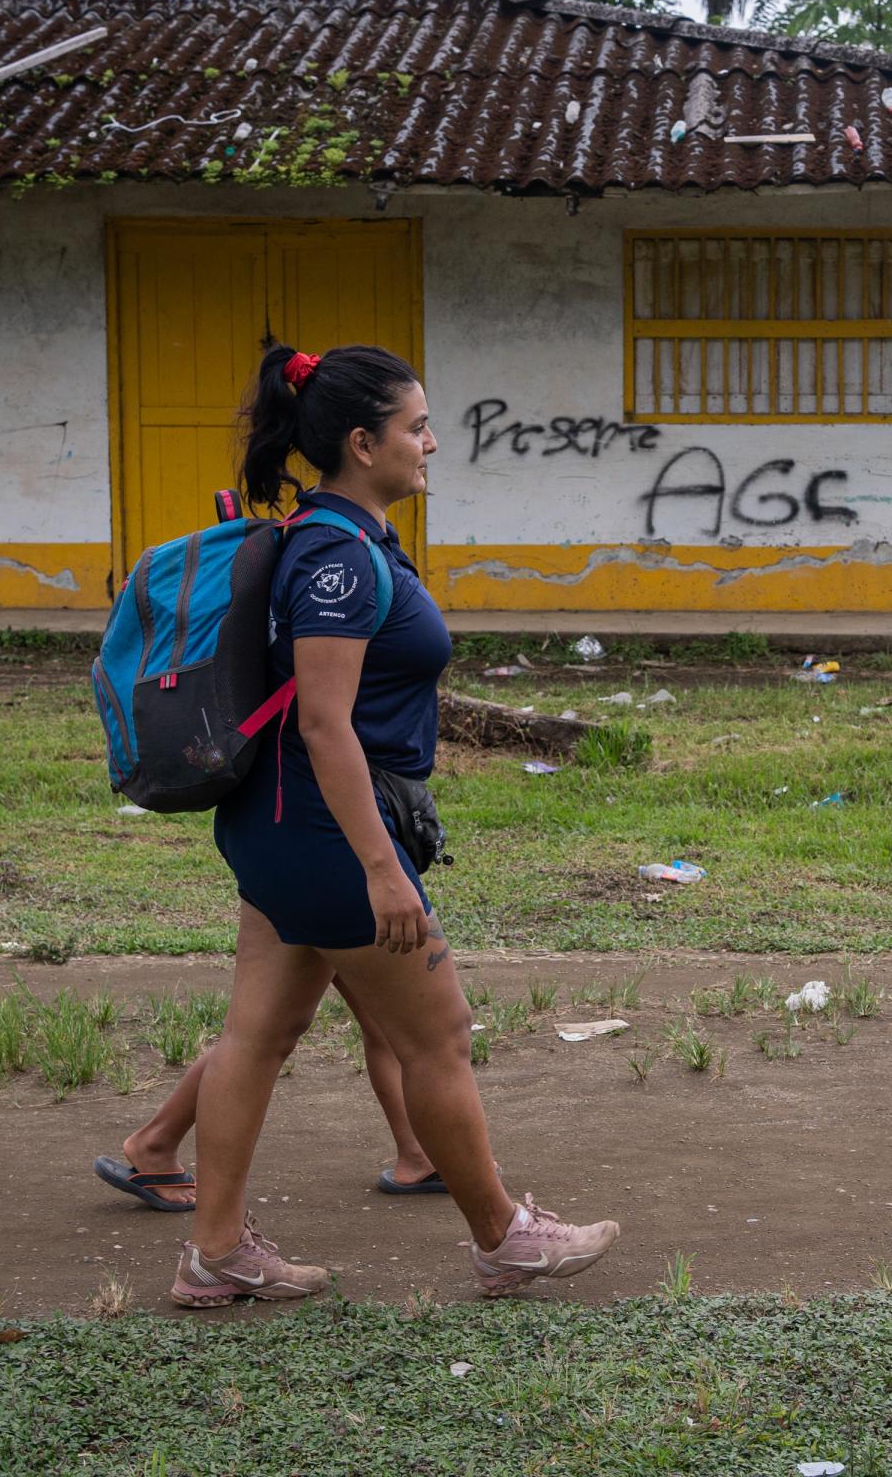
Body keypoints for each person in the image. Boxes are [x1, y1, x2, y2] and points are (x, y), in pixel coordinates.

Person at [155, 342, 619, 1308]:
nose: (431, 444)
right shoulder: (335, 557)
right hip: (325, 832)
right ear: (363, 444)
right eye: (415, 428)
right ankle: (505, 1239)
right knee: (437, 1036)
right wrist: (380, 865)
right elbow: (324, 722)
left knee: (257, 1037)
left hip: (283, 825)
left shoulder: (339, 538)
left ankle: (215, 1254)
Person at [93, 976, 451, 1210]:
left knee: (379, 1018)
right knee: (263, 1032)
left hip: (322, 880)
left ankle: (418, 1154)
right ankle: (157, 1144)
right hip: (331, 881)